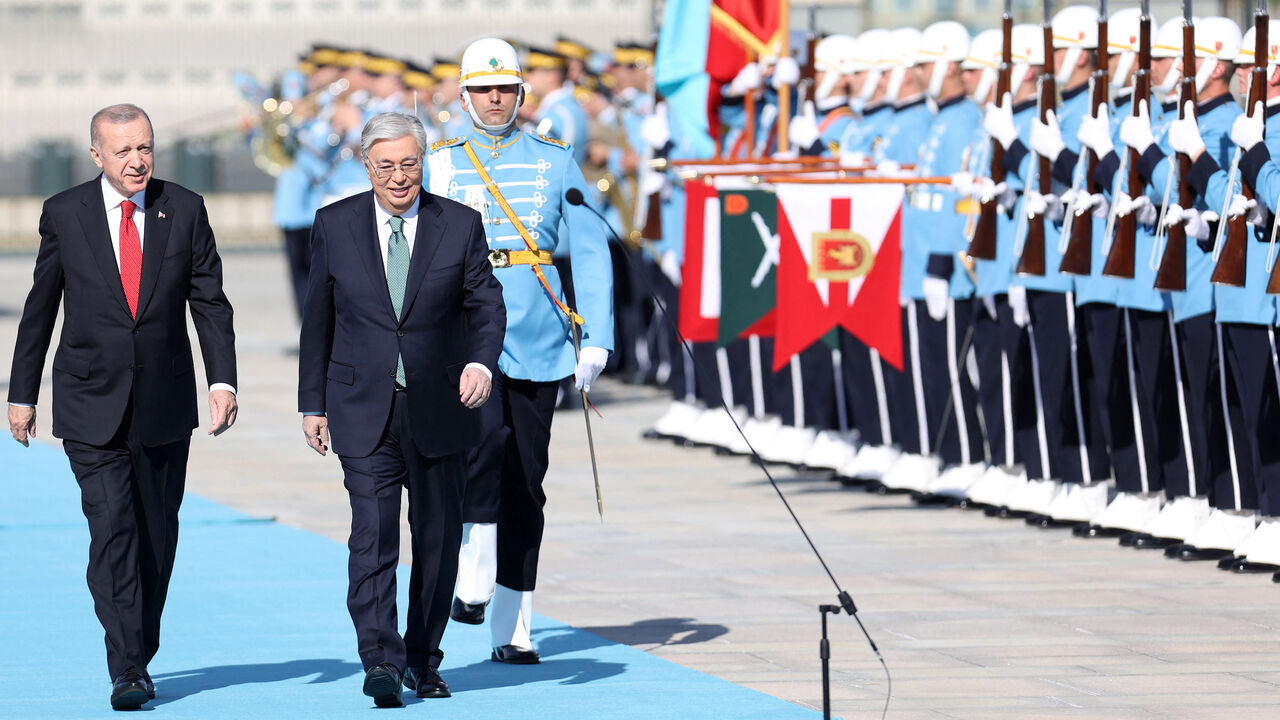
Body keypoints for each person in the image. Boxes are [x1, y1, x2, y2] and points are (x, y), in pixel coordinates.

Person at [7, 103, 238, 710]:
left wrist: (223, 382)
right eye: (123, 152)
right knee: (113, 527)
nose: (137, 162)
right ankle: (128, 665)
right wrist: (22, 393)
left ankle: (139, 640)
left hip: (163, 403)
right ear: (97, 155)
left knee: (157, 536)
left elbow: (210, 302)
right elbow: (41, 307)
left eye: (146, 149)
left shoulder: (183, 208)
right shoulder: (65, 213)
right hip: (89, 402)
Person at [298, 111, 506, 707]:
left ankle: (423, 657)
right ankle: (381, 660)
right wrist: (312, 401)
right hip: (361, 407)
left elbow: (486, 306)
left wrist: (480, 363)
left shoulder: (459, 225)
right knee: (373, 534)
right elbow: (319, 320)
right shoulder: (333, 224)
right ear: (367, 166)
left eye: (408, 164)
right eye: (385, 165)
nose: (398, 177)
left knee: (437, 540)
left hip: (441, 407)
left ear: (424, 163)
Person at [428, 37, 613, 664]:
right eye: (483, 89)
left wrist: (599, 335)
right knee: (481, 450)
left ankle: (513, 621)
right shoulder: (440, 162)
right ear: (464, 95)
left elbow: (587, 247)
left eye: (505, 88)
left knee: (527, 481)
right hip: (464, 332)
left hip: (537, 328)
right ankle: (473, 568)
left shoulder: (556, 160)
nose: (496, 99)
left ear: (522, 93)